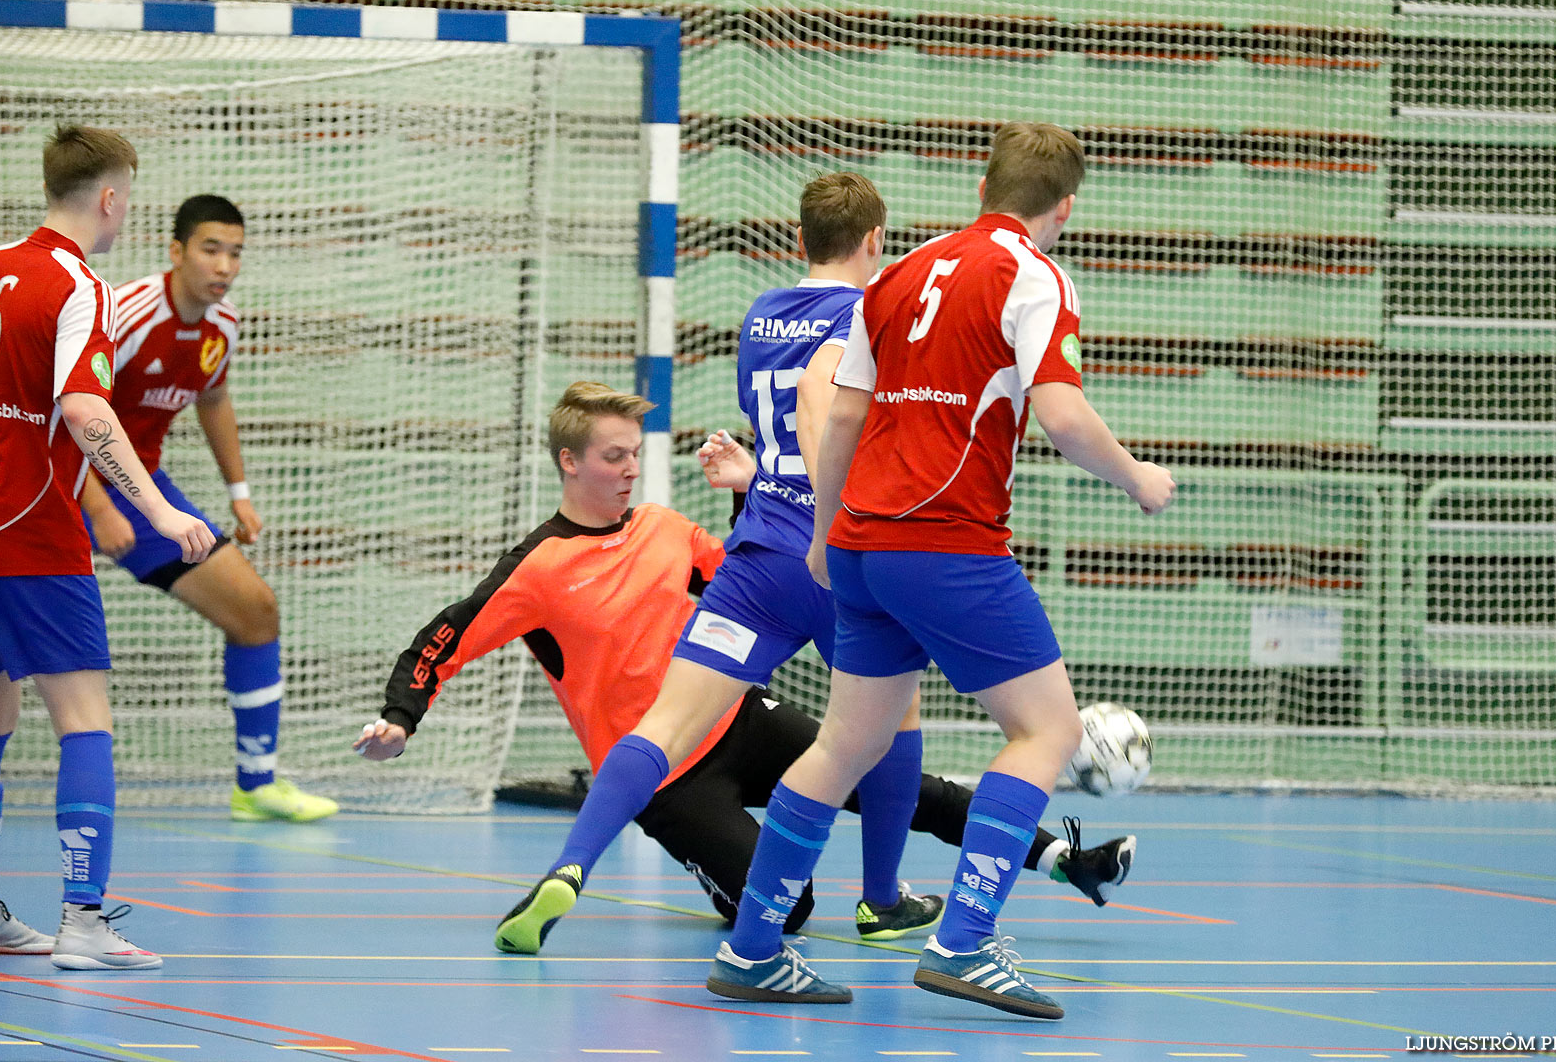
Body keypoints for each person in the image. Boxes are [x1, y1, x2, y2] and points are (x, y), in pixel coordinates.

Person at [353, 381, 1134, 947]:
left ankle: (1065, 861)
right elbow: (446, 635)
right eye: (613, 456)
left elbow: (740, 576)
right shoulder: (539, 566)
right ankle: (694, 876)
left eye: (635, 455)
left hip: (741, 720)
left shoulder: (660, 526)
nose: (629, 469)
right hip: (664, 774)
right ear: (569, 462)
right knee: (785, 909)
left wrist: (746, 489)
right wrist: (401, 715)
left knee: (901, 781)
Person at [707, 123, 1177, 1019]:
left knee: (846, 744)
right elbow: (1064, 415)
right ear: (1064, 206)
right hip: (946, 541)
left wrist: (824, 536)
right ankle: (964, 941)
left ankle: (754, 948)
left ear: (982, 184)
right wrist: (1138, 478)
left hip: (858, 544)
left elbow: (843, 418)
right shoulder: (1033, 274)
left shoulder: (899, 272)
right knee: (1045, 732)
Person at [491, 173, 964, 954]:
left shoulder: (762, 317)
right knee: (889, 724)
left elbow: (777, 428)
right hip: (842, 558)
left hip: (760, 560)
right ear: (877, 242)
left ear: (800, 241)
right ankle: (881, 900)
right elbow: (844, 424)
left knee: (665, 726)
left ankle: (569, 868)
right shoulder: (874, 316)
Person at [0, 125, 216, 969]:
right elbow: (85, 412)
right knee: (85, 722)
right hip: (34, 533)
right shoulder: (81, 286)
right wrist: (155, 510)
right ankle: (84, 922)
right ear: (112, 198)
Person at [75, 194, 334, 822]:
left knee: (256, 612)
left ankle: (256, 785)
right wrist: (98, 508)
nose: (224, 266)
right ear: (176, 251)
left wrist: (239, 494)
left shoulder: (223, 325)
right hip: (66, 481)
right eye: (210, 249)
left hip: (142, 488)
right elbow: (66, 411)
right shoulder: (128, 314)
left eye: (235, 253)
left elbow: (212, 399)